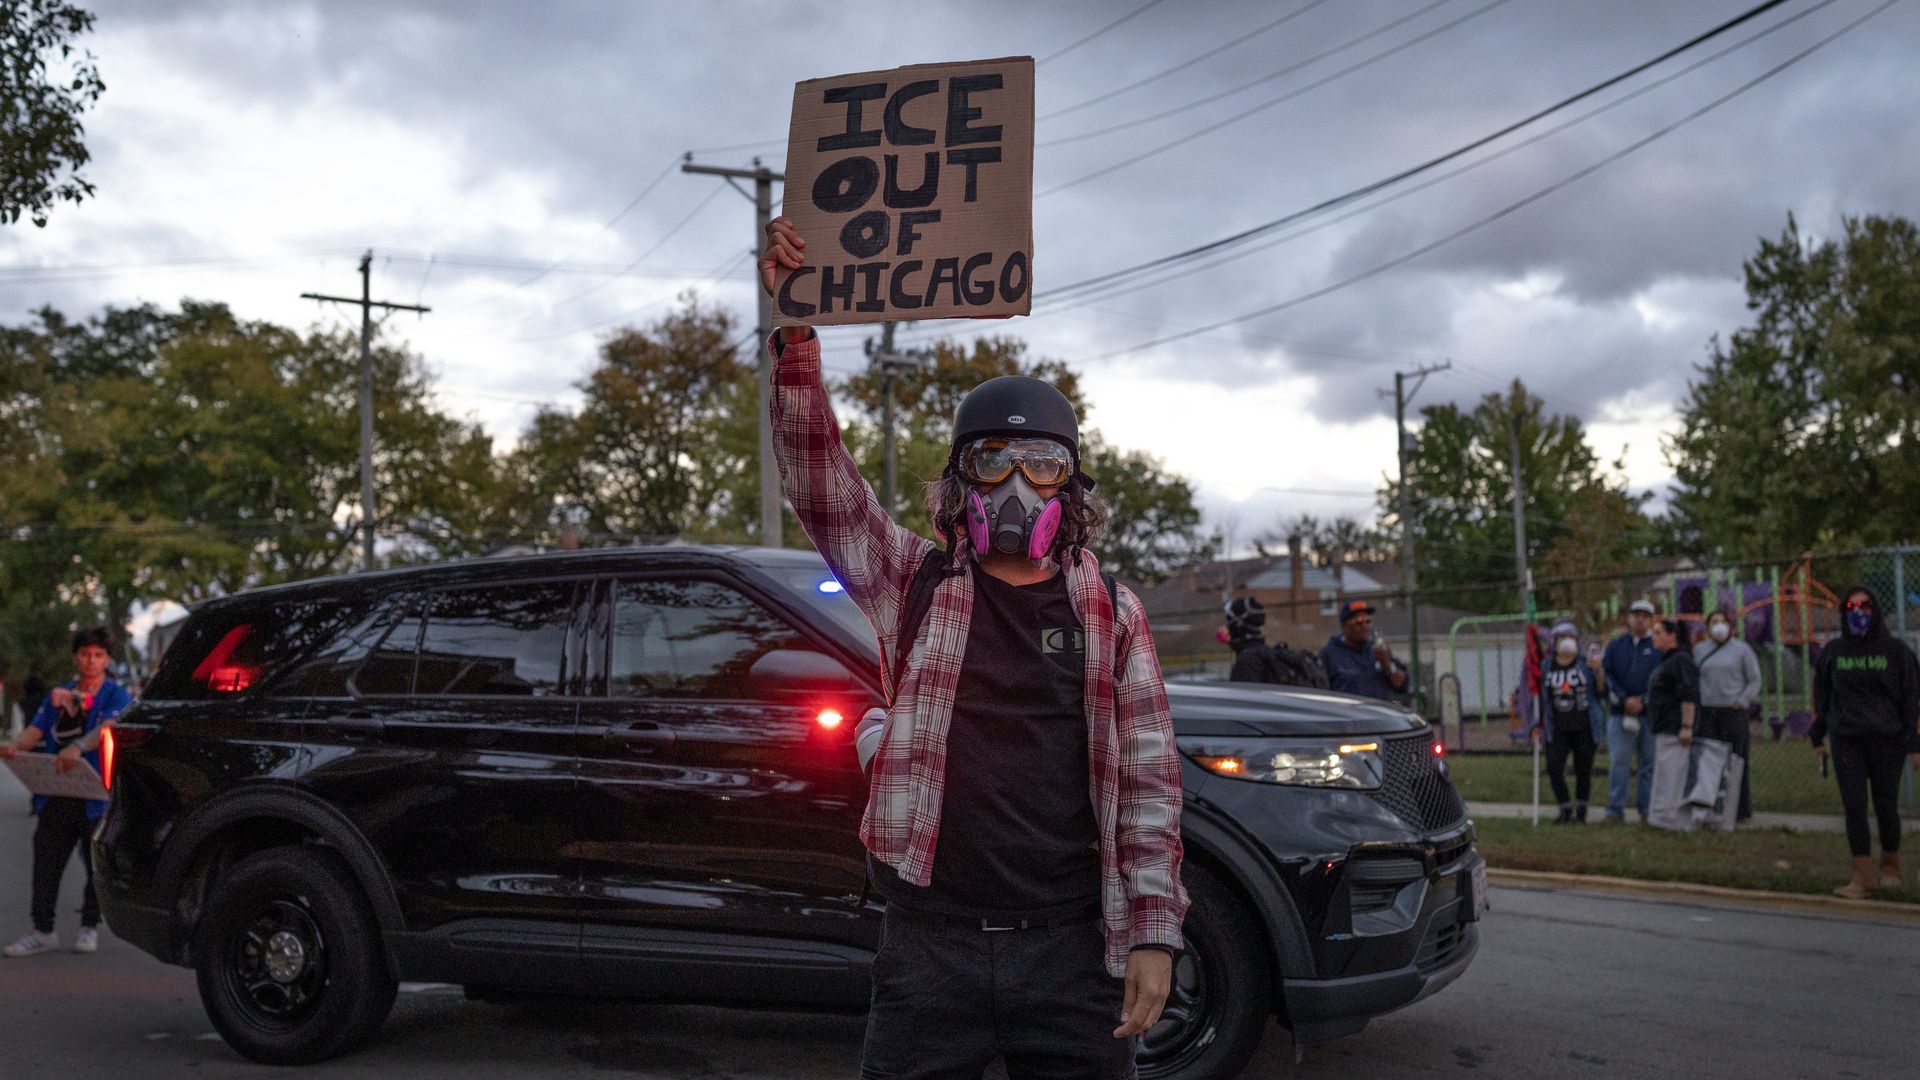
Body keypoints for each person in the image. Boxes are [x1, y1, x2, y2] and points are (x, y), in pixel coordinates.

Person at [760, 216, 1184, 1079]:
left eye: (1042, 464)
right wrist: (794, 330)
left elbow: (1146, 788)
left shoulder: (1113, 611)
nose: (1018, 486)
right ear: (960, 481)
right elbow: (818, 478)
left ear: (1073, 486)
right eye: (993, 461)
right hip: (929, 950)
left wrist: (1153, 935)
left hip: (1071, 951)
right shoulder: (908, 577)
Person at [2, 627, 132, 958]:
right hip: (56, 793)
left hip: (95, 797)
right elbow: (36, 729)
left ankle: (89, 925)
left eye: (98, 655)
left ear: (107, 659)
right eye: (86, 653)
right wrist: (15, 748)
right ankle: (42, 930)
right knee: (46, 862)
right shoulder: (58, 695)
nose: (91, 660)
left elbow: (109, 727)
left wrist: (78, 746)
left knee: (94, 865)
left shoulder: (116, 695)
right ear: (75, 656)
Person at [1810, 586, 1920, 898]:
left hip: (1888, 741)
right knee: (1854, 806)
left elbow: (1912, 700)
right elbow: (1824, 698)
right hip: (1847, 741)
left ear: (1876, 611)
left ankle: (1891, 864)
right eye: (1851, 607)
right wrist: (1817, 737)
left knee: (1886, 805)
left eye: (1865, 607)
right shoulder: (1834, 652)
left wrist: (1914, 744)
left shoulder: (1897, 652)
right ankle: (1862, 876)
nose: (1858, 613)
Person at [1689, 610, 1762, 831]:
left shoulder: (1742, 649)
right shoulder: (1700, 650)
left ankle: (1739, 809)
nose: (1719, 625)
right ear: (1708, 627)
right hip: (1708, 711)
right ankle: (1709, 805)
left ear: (1730, 626)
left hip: (1733, 711)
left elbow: (1754, 679)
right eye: (1714, 622)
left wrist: (1742, 701)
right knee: (1709, 763)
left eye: (1723, 621)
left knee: (1737, 759)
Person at [1602, 599, 1663, 823]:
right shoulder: (1617, 646)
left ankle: (1646, 808)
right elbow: (1607, 674)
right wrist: (1624, 699)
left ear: (1651, 620)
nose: (1639, 618)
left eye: (1644, 615)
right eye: (1635, 614)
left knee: (1648, 763)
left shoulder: (1657, 646)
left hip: (1649, 716)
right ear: (1629, 618)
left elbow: (1662, 679)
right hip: (1620, 713)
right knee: (1619, 761)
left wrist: (1644, 701)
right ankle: (1615, 809)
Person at [1540, 621, 1607, 823]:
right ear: (1555, 641)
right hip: (1557, 727)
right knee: (1554, 767)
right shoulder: (1547, 665)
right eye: (1561, 637)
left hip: (1584, 726)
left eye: (1570, 637)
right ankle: (1565, 807)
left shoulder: (1586, 663)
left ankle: (1582, 810)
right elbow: (1542, 696)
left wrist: (1599, 671)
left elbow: (1601, 691)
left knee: (1583, 770)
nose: (1566, 641)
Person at [1644, 619, 1702, 831]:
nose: (1654, 637)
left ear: (1672, 635)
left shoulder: (1681, 660)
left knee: (1675, 776)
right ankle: (1662, 817)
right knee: (1665, 774)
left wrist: (1686, 725)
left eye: (1659, 632)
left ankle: (1675, 819)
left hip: (1675, 728)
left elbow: (1688, 693)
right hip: (1663, 727)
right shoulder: (1667, 660)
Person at [1318, 599, 1408, 701]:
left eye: (1367, 621)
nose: (1364, 626)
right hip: (1348, 715)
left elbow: (1401, 685)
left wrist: (1387, 665)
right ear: (1344, 626)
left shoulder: (1378, 652)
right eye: (1359, 622)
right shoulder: (1329, 654)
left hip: (1377, 714)